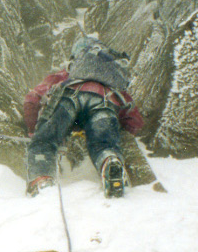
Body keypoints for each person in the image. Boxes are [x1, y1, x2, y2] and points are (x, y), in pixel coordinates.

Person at [23, 35, 144, 197]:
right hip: (104, 101)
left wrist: (34, 130)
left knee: (44, 141)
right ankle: (109, 160)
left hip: (69, 97)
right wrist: (120, 131)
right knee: (104, 145)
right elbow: (133, 118)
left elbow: (32, 98)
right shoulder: (108, 77)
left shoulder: (67, 73)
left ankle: (41, 180)